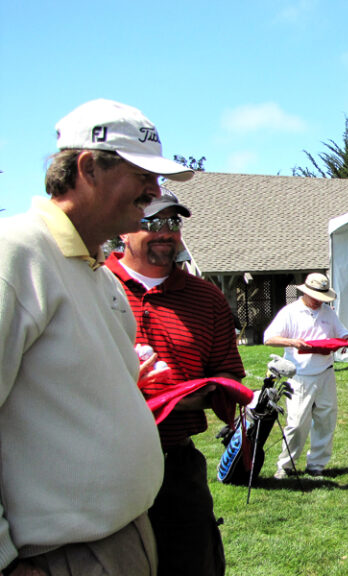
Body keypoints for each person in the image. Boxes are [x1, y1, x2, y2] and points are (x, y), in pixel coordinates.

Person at [0, 99, 193, 576]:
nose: (155, 190)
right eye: (142, 174)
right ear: (88, 167)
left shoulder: (97, 273)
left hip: (124, 536)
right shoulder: (15, 255)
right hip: (56, 557)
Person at [106, 188, 245, 576]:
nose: (165, 232)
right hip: (103, 464)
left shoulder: (207, 298)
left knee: (190, 563)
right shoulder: (95, 286)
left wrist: (182, 396)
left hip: (176, 465)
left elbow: (229, 373)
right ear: (124, 230)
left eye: (173, 223)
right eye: (151, 222)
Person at [264, 273, 348, 478]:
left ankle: (316, 465)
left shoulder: (328, 313)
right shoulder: (290, 312)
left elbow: (341, 331)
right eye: (315, 297)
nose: (317, 302)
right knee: (296, 423)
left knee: (325, 419)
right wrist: (293, 342)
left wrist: (347, 339)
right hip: (300, 375)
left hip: (326, 373)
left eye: (321, 298)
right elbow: (269, 338)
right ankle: (286, 465)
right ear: (305, 292)